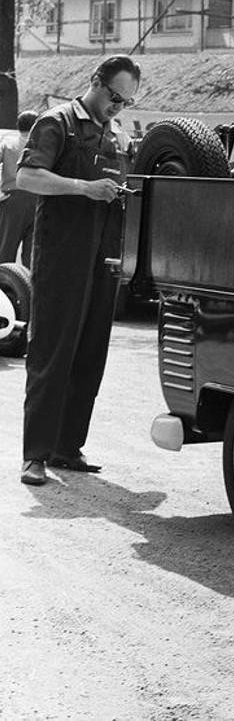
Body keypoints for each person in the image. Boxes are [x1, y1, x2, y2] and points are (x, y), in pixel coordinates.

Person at [16, 55, 138, 486]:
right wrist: (84, 188)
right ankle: (35, 455)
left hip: (104, 259)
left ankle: (67, 447)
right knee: (52, 353)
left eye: (126, 103)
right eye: (114, 97)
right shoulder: (58, 123)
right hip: (62, 257)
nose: (117, 107)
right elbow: (28, 177)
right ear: (95, 82)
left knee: (90, 355)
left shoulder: (118, 135)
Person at [0, 110, 42, 265]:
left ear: (18, 125)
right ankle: (26, 280)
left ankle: (4, 279)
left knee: (6, 248)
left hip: (13, 199)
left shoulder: (8, 143)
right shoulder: (44, 146)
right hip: (39, 199)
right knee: (31, 254)